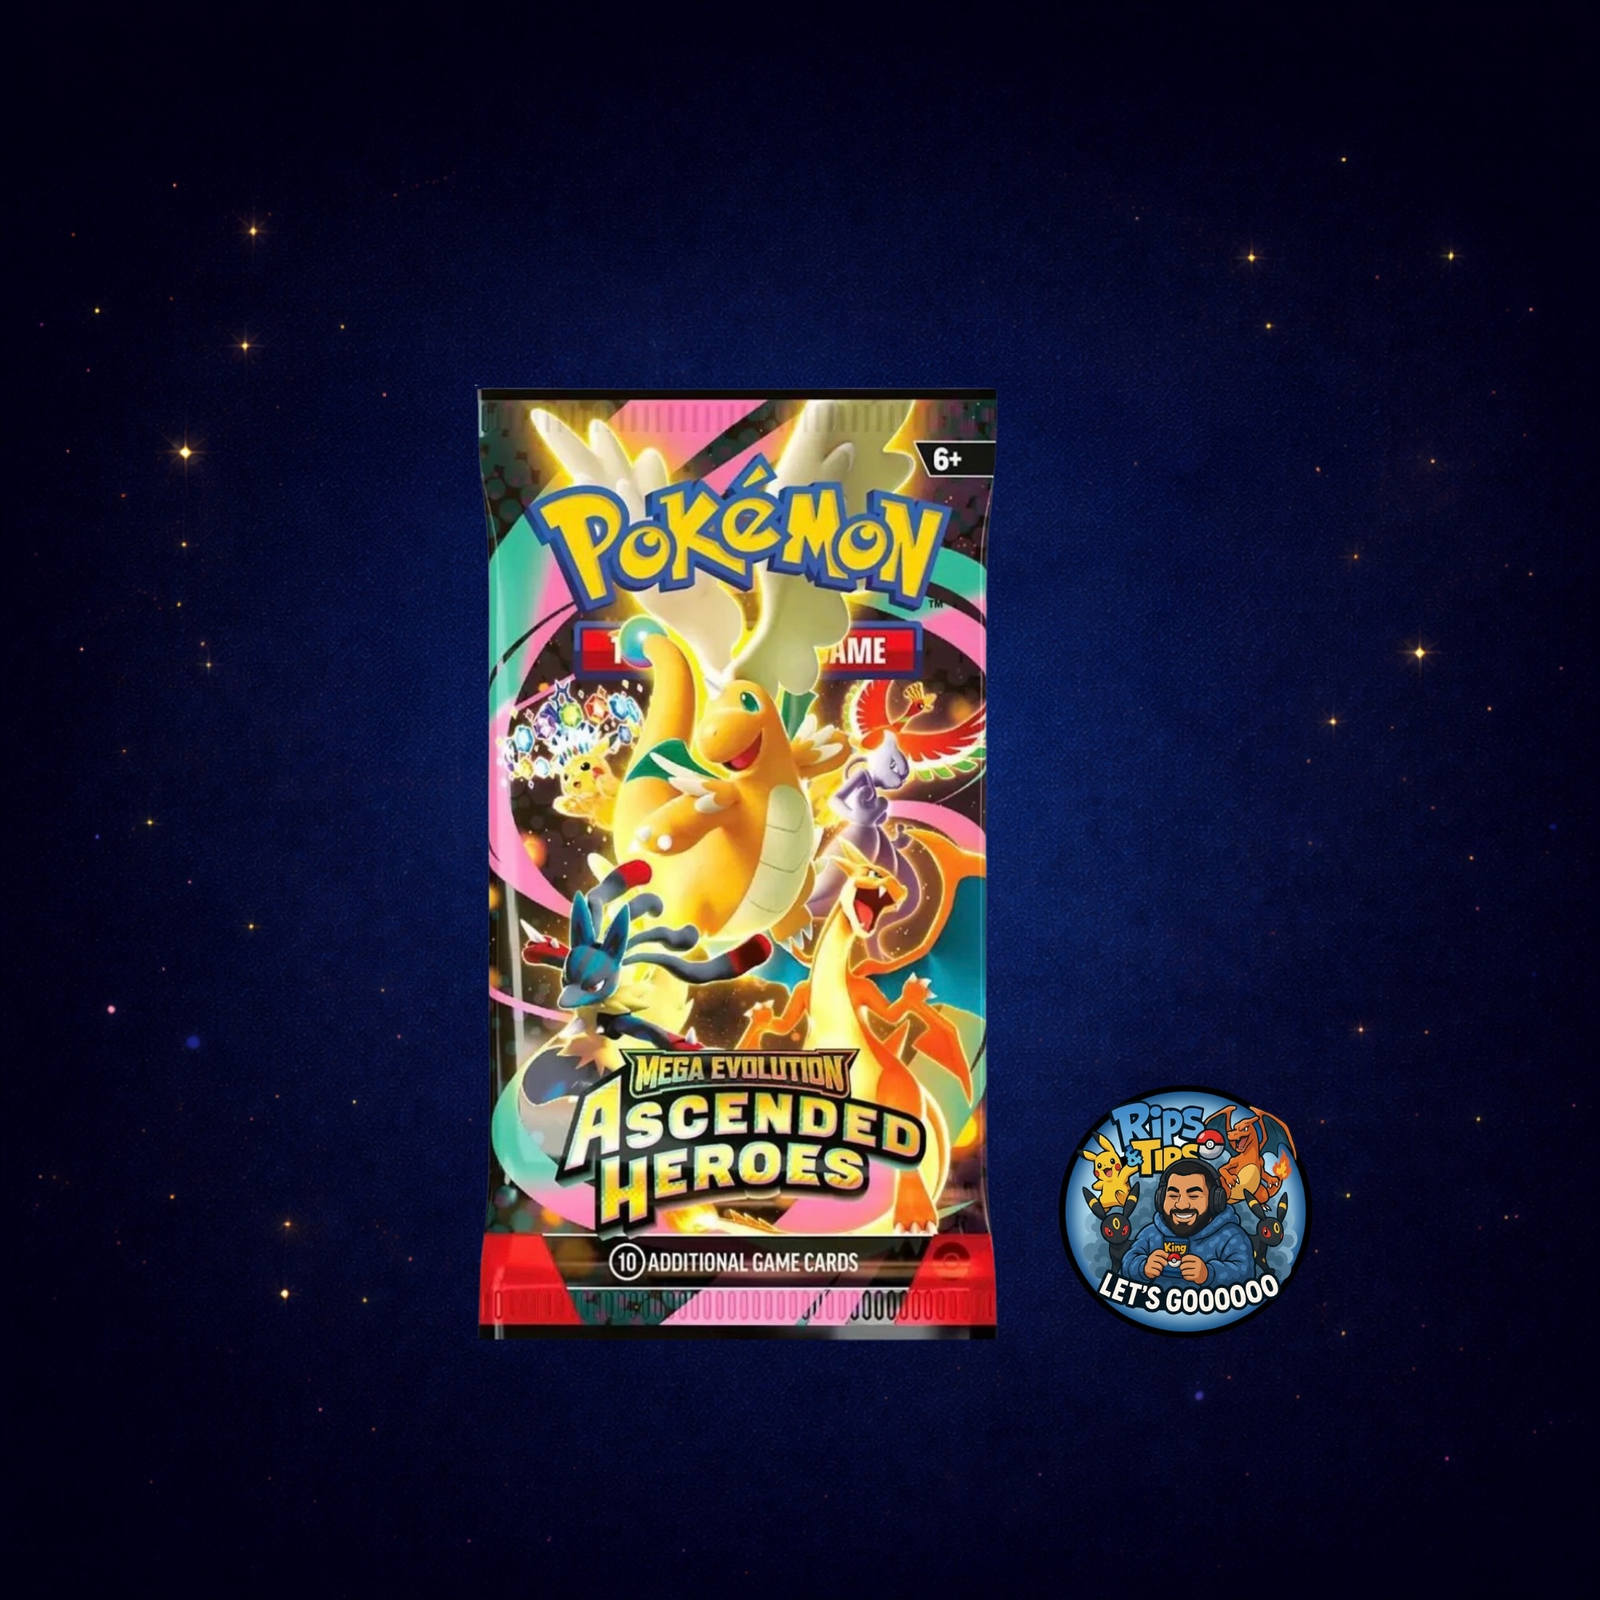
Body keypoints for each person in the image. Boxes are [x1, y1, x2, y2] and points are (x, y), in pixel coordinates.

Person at [1121, 1157, 1254, 1288]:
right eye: (1173, 1196)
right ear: (1161, 1199)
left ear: (1215, 1200)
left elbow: (1245, 1273)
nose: (1181, 1205)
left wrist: (1208, 1274)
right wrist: (1142, 1267)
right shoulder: (1150, 1233)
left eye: (1193, 1196)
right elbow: (1127, 1263)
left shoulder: (1231, 1236)